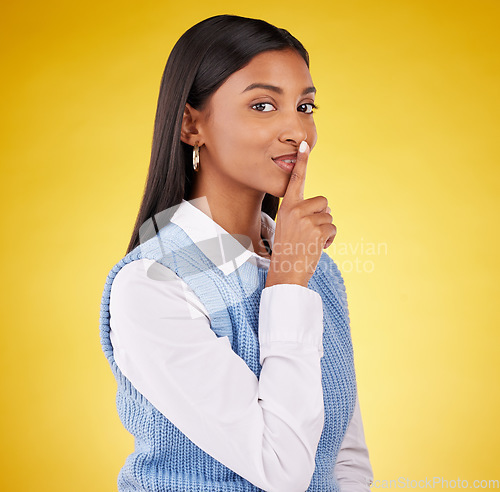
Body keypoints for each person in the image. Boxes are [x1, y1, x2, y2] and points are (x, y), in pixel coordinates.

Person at [99, 14, 374, 492]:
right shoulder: (152, 282)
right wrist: (287, 283)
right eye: (264, 105)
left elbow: (344, 459)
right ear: (191, 124)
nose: (298, 131)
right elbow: (281, 469)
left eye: (306, 105)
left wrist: (293, 272)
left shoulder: (314, 268)